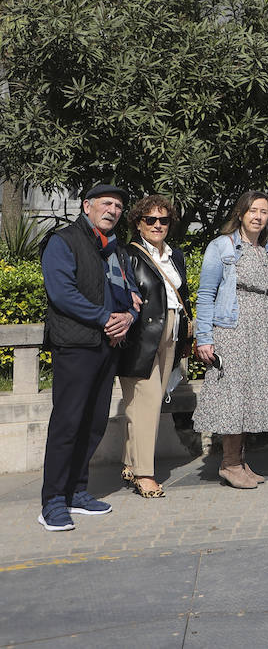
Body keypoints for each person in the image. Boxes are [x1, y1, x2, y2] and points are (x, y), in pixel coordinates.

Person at [38, 185, 140, 531]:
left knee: (94, 422)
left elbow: (133, 294)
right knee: (67, 423)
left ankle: (76, 491)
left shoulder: (118, 250)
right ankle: (52, 501)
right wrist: (106, 318)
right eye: (106, 203)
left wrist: (128, 316)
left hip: (108, 347)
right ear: (87, 206)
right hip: (75, 345)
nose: (112, 210)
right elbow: (62, 293)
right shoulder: (63, 242)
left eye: (118, 206)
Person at [193, 192, 268, 490]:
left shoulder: (267, 249)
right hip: (232, 330)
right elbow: (206, 294)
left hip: (260, 332)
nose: (258, 216)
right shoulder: (222, 246)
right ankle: (229, 463)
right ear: (241, 213)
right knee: (233, 396)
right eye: (253, 211)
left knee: (250, 396)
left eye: (263, 211)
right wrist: (204, 338)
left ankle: (240, 459)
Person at [118, 194, 192, 499]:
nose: (158, 225)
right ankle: (144, 474)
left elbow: (181, 293)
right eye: (150, 220)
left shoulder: (174, 255)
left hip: (171, 333)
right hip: (141, 338)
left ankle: (128, 462)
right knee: (145, 405)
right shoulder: (128, 255)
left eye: (163, 220)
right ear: (138, 223)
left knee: (149, 403)